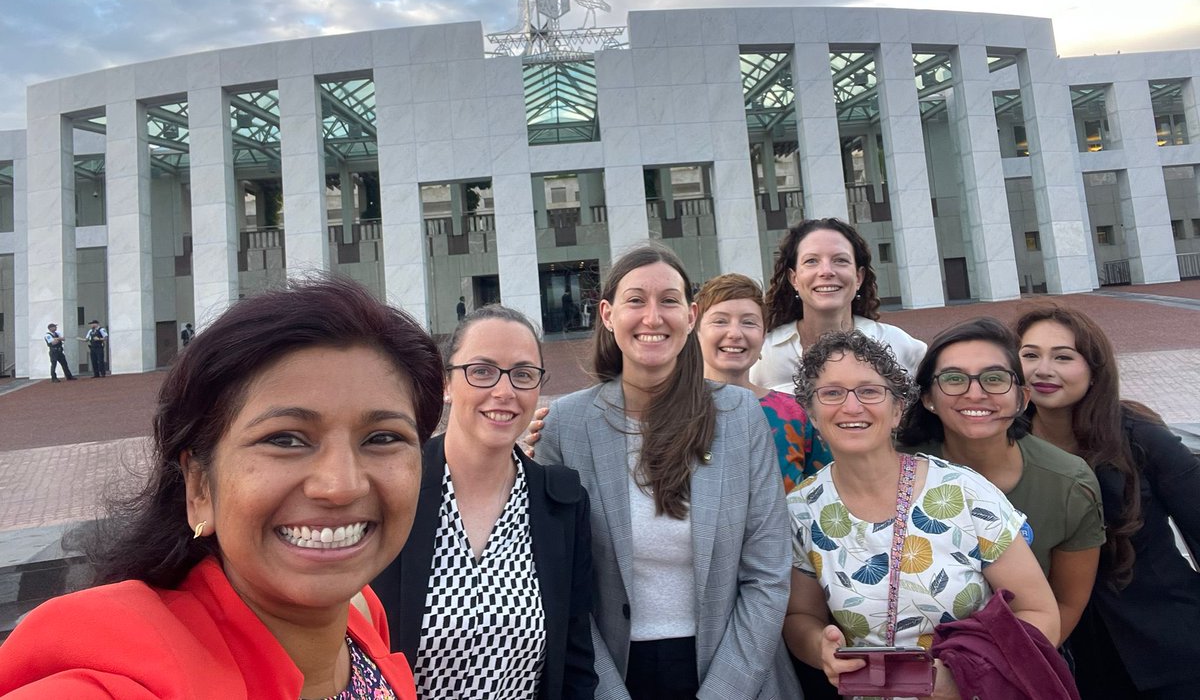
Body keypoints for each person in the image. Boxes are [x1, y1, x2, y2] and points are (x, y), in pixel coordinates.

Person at [0, 276, 445, 698]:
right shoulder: (123, 668)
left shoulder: (362, 614)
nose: (341, 486)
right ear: (199, 488)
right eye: (284, 439)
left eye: (383, 438)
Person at [537, 244, 799, 700]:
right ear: (607, 314)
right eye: (636, 300)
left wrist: (723, 692)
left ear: (691, 315)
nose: (653, 318)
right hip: (610, 674)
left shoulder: (737, 415)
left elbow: (768, 574)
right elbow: (559, 585)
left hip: (734, 671)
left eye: (669, 301)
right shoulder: (566, 425)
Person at [784, 331, 1061, 697]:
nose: (851, 407)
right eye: (832, 393)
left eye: (869, 391)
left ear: (898, 409)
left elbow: (1041, 614)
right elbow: (799, 617)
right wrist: (821, 648)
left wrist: (964, 672)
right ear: (812, 414)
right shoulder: (802, 510)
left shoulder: (963, 493)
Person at [373, 305, 596, 699]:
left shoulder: (560, 504)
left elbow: (575, 663)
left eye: (523, 374)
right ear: (445, 383)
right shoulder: (392, 488)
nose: (504, 391)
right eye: (482, 371)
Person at [1016, 305, 1200, 698]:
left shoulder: (1140, 436)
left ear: (1094, 369)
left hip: (1169, 637)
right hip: (1072, 650)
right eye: (1029, 355)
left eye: (1062, 356)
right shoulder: (1004, 444)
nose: (1042, 369)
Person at [896, 317, 1104, 645]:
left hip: (1025, 661)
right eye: (953, 379)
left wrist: (995, 676)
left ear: (1022, 397)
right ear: (927, 398)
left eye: (994, 379)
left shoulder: (1069, 484)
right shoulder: (895, 469)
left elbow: (1067, 603)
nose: (975, 393)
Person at [751, 217, 925, 393]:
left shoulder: (898, 344)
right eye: (811, 261)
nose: (826, 271)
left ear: (858, 277)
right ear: (794, 279)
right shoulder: (763, 355)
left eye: (840, 260)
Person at [695, 272, 832, 491]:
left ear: (763, 336)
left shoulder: (795, 413)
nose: (735, 333)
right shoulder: (673, 409)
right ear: (696, 331)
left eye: (749, 323)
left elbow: (823, 491)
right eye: (720, 321)